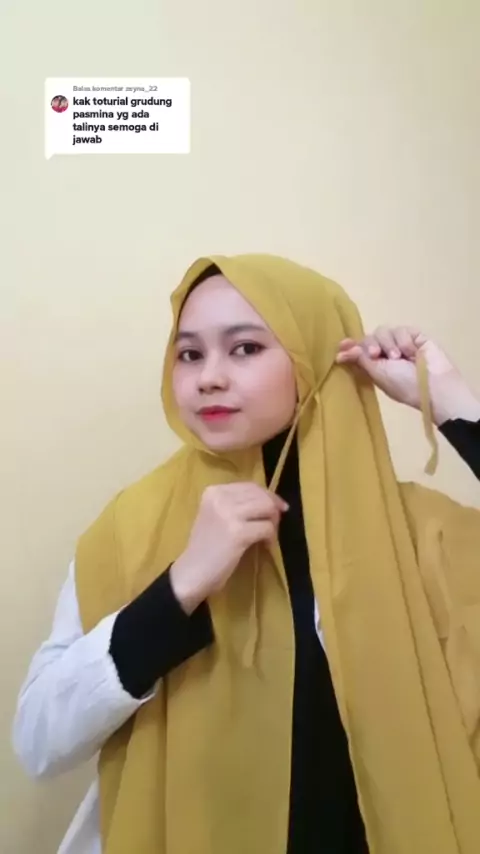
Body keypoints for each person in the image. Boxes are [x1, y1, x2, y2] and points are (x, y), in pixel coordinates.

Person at [13, 255, 480, 854]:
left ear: (315, 357)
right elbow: (39, 742)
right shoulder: (132, 529)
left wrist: (450, 401)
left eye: (245, 348)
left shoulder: (418, 530)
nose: (208, 377)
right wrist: (177, 589)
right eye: (189, 354)